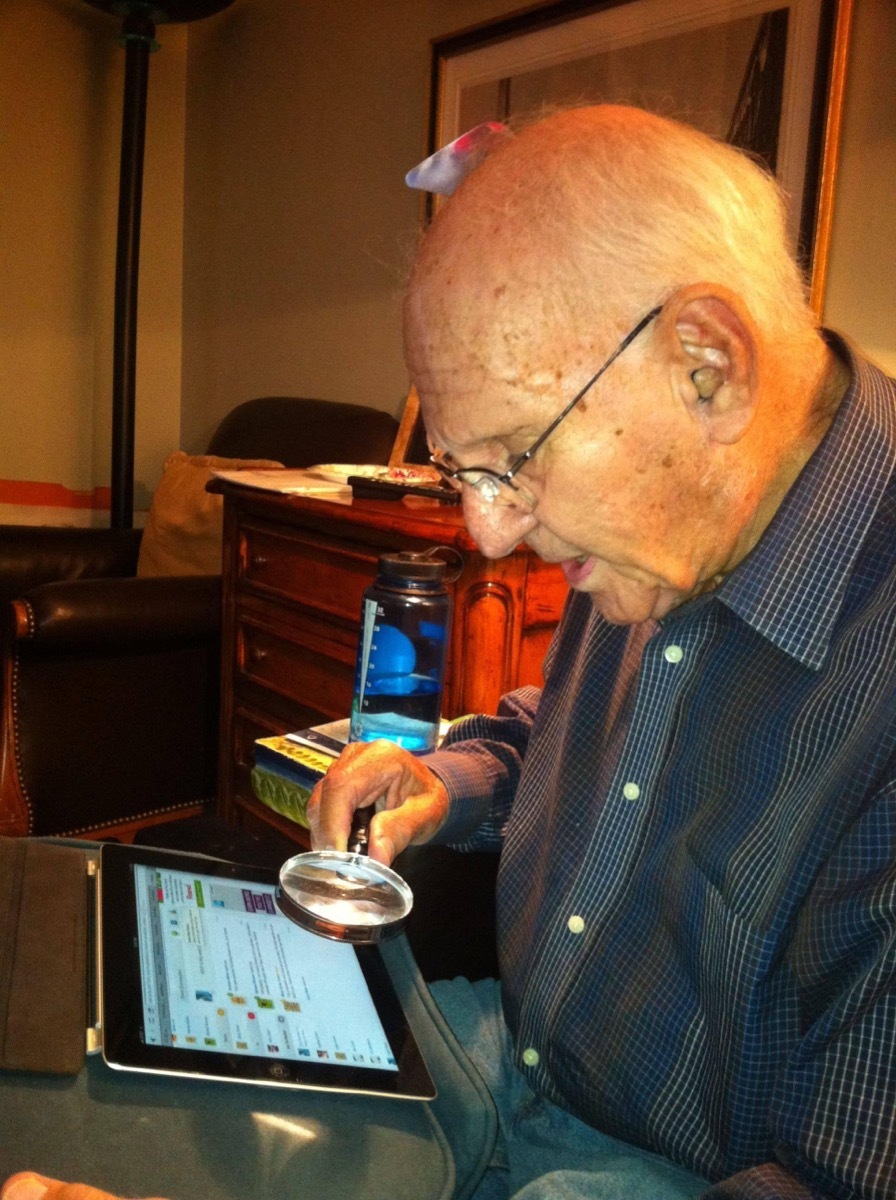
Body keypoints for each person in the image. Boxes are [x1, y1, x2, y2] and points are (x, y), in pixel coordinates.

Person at [5, 105, 894, 1199]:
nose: (484, 533)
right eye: (459, 470)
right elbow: (568, 738)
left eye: (510, 460)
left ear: (703, 364)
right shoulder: (658, 527)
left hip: (653, 1175)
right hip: (487, 1048)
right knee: (70, 1062)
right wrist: (446, 780)